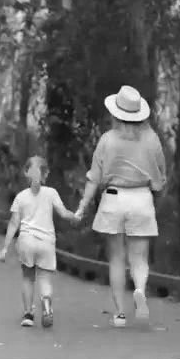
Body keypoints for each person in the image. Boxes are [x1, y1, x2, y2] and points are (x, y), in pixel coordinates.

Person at [73, 85, 167, 328]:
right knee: (139, 257)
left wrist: (83, 204)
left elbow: (94, 177)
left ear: (115, 113)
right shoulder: (151, 139)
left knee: (116, 258)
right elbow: (160, 177)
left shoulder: (107, 140)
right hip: (141, 198)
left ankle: (119, 314)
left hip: (114, 199)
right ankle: (139, 290)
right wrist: (155, 188)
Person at [0, 156, 80, 328]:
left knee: (28, 278)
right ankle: (47, 304)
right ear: (46, 174)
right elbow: (64, 213)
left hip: (26, 241)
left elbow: (14, 223)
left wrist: (5, 248)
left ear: (26, 172)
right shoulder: (51, 193)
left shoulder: (20, 197)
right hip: (46, 243)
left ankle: (28, 314)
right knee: (45, 280)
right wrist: (75, 217)